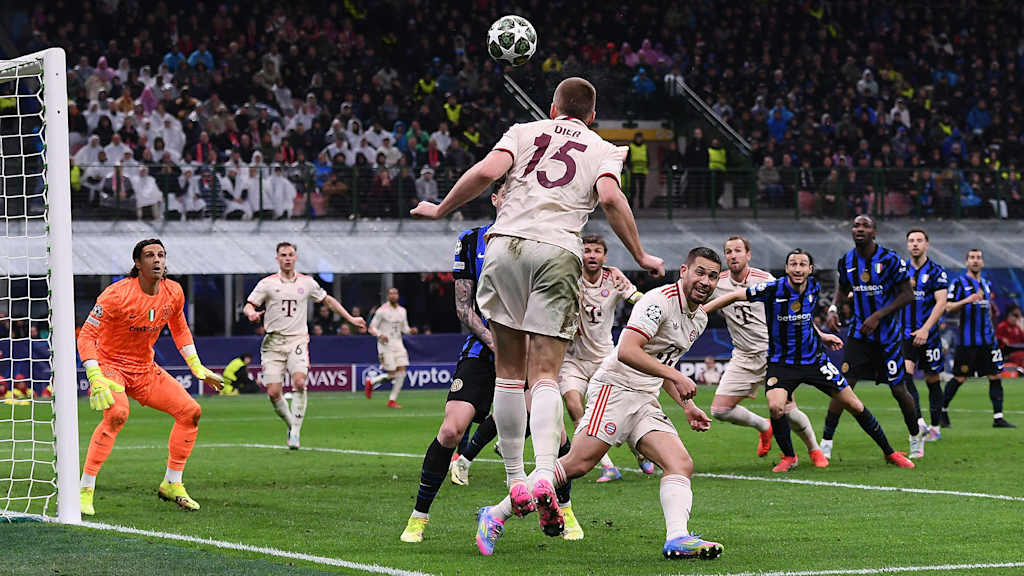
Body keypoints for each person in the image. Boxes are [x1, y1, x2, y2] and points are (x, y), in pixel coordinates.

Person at [410, 77, 664, 526]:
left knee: (509, 374)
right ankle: (546, 470)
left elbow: (487, 173)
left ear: (552, 108)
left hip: (506, 245)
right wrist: (641, 255)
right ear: (591, 116)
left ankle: (515, 480)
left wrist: (440, 209)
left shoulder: (523, 131)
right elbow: (609, 196)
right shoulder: (605, 148)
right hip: (558, 251)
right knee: (544, 373)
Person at [474, 248, 721, 559]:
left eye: (712, 276)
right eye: (700, 272)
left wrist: (686, 406)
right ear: (684, 270)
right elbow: (628, 351)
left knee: (680, 463)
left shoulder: (699, 318)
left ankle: (677, 538)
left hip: (645, 397)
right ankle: (495, 514)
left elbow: (661, 362)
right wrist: (674, 374)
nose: (705, 281)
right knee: (577, 463)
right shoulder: (658, 301)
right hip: (615, 389)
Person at [705, 249, 914, 473]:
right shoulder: (773, 289)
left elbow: (804, 320)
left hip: (815, 361)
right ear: (786, 269)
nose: (797, 268)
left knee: (854, 404)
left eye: (802, 264)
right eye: (793, 264)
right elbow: (736, 296)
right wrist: (702, 312)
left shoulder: (813, 287)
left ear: (810, 270)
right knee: (776, 407)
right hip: (782, 363)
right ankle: (788, 456)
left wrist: (822, 336)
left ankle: (889, 452)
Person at [77, 239, 223, 515]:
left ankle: (172, 483)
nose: (157, 260)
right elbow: (87, 335)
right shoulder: (116, 294)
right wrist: (95, 375)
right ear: (137, 263)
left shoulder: (173, 292)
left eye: (161, 255)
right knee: (118, 414)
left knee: (191, 411)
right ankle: (85, 489)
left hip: (145, 369)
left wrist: (196, 365)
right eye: (150, 255)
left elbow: (179, 328)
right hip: (111, 367)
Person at [401, 187, 509, 543]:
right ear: (495, 199)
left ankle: (566, 515)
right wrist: (495, 342)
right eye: (505, 192)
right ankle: (418, 517)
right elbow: (464, 308)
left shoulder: (541, 243)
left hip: (528, 352)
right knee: (450, 431)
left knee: (556, 436)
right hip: (482, 349)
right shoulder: (471, 240)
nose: (512, 198)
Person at [709, 237, 826, 468]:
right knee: (720, 410)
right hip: (742, 356)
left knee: (789, 411)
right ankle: (764, 426)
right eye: (728, 251)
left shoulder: (765, 280)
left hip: (772, 353)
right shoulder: (718, 282)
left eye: (738, 251)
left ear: (748, 255)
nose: (733, 255)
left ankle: (814, 449)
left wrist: (820, 335)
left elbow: (797, 311)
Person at [243, 242, 365, 449]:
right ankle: (292, 425)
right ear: (277, 259)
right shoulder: (267, 284)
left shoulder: (307, 282)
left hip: (297, 340)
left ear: (295, 257)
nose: (287, 258)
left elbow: (328, 301)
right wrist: (251, 314)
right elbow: (249, 305)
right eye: (283, 255)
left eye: (291, 254)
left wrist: (350, 320)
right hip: (273, 343)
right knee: (273, 392)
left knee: (299, 382)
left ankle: (296, 433)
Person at [822, 216, 921, 460]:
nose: (859, 229)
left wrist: (878, 315)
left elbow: (908, 295)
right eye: (856, 225)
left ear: (874, 232)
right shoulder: (846, 260)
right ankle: (825, 442)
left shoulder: (890, 259)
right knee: (842, 387)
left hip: (887, 338)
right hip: (858, 336)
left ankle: (915, 436)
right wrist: (834, 308)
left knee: (899, 390)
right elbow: (843, 289)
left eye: (865, 226)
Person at [557, 234, 643, 485]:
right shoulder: (569, 276)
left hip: (605, 357)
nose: (591, 255)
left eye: (597, 251)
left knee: (622, 407)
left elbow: (636, 300)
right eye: (587, 251)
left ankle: (639, 450)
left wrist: (655, 306)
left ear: (605, 257)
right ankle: (608, 466)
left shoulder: (614, 279)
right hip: (572, 358)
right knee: (574, 404)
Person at [942, 250, 1015, 428]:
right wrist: (967, 300)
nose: (975, 261)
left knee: (995, 375)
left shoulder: (985, 283)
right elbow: (948, 307)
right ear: (966, 262)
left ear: (982, 262)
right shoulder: (958, 283)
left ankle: (998, 417)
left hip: (988, 342)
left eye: (978, 258)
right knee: (959, 378)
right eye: (972, 258)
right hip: (968, 342)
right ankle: (942, 412)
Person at [901, 229, 949, 448]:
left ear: (927, 245)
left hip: (929, 336)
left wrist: (926, 329)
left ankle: (936, 428)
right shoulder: (900, 271)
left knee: (932, 381)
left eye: (919, 240)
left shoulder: (937, 271)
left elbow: (941, 303)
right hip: (905, 334)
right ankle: (919, 422)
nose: (915, 244)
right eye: (911, 241)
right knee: (905, 376)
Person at [365, 288, 415, 408]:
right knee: (392, 374)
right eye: (391, 294)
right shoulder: (381, 310)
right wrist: (380, 335)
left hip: (398, 343)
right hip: (385, 345)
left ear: (398, 296)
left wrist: (410, 331)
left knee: (402, 372)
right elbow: (371, 327)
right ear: (388, 296)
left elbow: (404, 328)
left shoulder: (402, 311)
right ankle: (371, 382)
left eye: (395, 293)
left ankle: (392, 400)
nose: (394, 296)